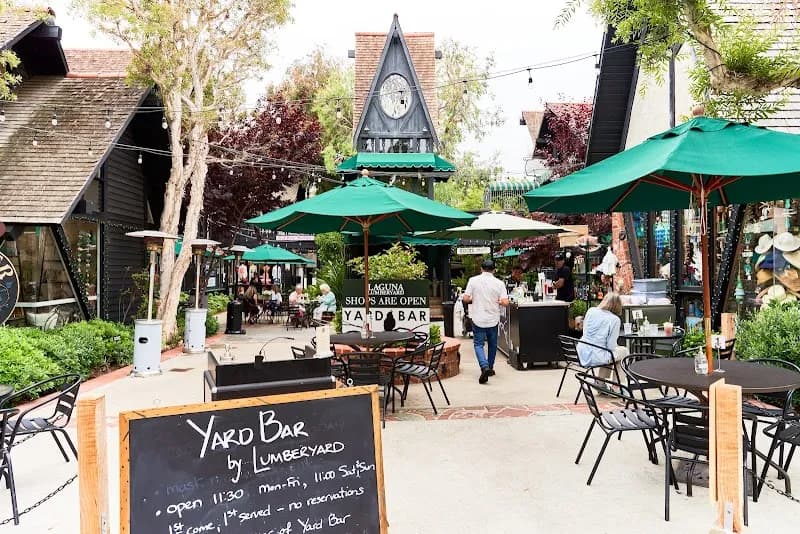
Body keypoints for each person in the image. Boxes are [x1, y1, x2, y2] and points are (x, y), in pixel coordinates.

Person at [462, 259, 509, 384]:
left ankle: (484, 367)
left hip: (478, 318)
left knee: (478, 344)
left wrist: (475, 299)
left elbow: (465, 298)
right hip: (493, 318)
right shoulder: (499, 283)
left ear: (481, 269)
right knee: (493, 345)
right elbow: (505, 302)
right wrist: (498, 301)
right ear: (494, 270)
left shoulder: (473, 280)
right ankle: (490, 367)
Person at [577, 292, 628, 383]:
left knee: (612, 355)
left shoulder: (591, 310)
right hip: (596, 356)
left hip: (582, 352)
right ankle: (616, 386)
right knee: (623, 352)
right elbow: (611, 346)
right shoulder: (614, 320)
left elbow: (585, 332)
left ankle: (600, 383)